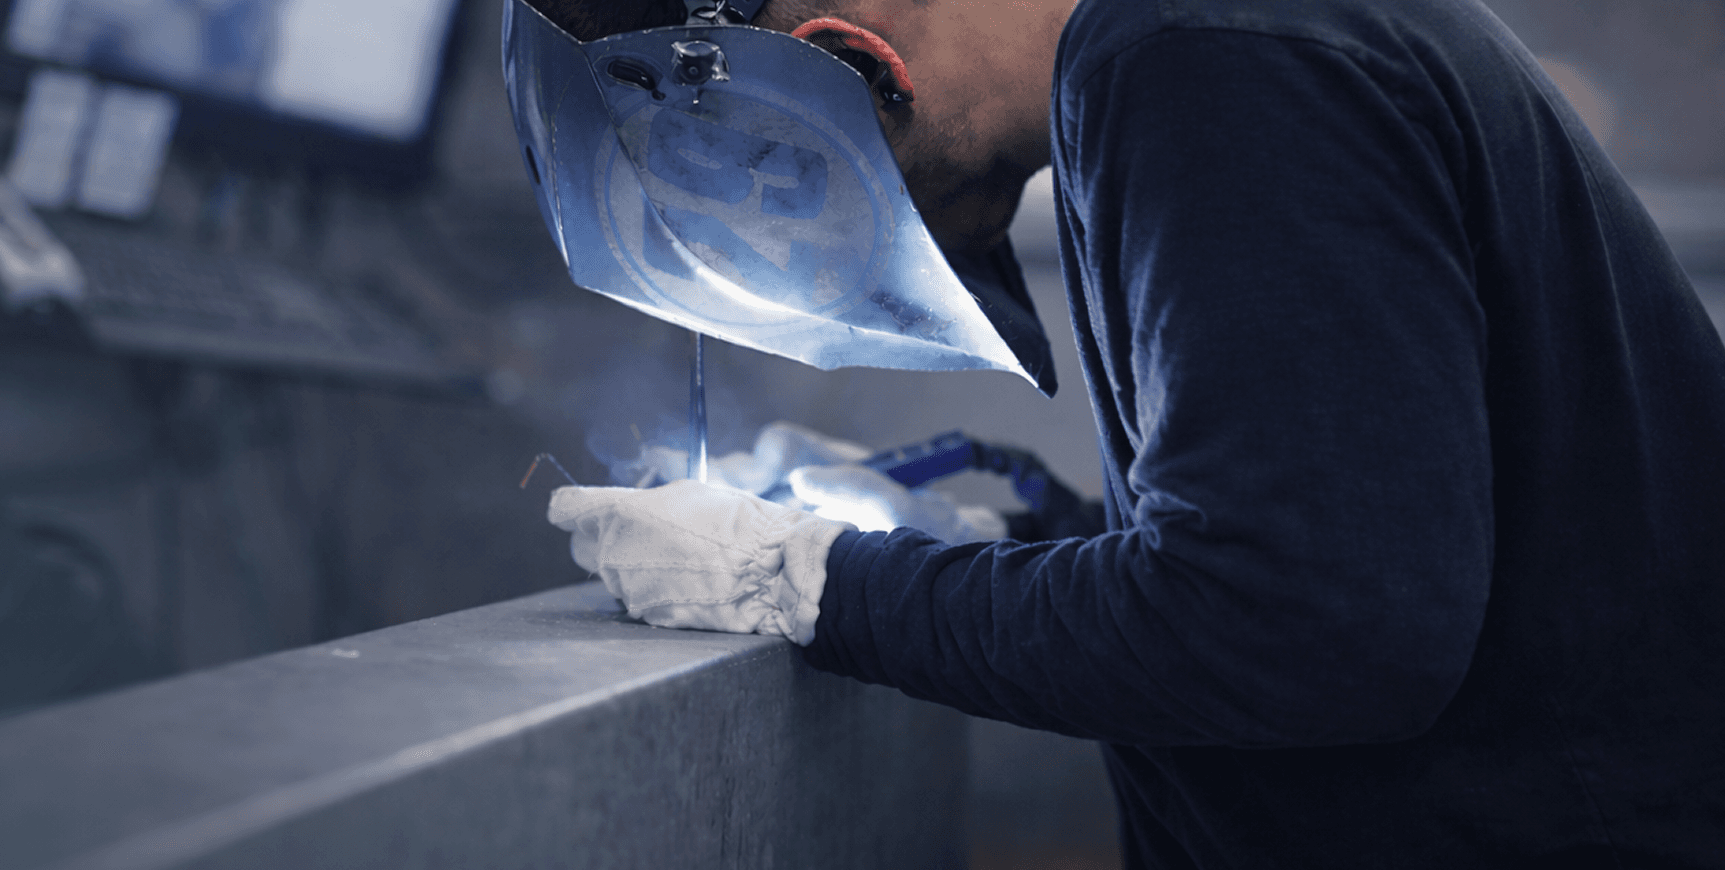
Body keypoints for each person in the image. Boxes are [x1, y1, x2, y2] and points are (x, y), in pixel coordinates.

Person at [520, 0, 1725, 864]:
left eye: (783, 180)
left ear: (847, 56)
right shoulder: (1192, 54)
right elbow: (1377, 521)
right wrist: (1028, 536)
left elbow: (1303, 632)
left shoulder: (1206, 60)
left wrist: (801, 577)